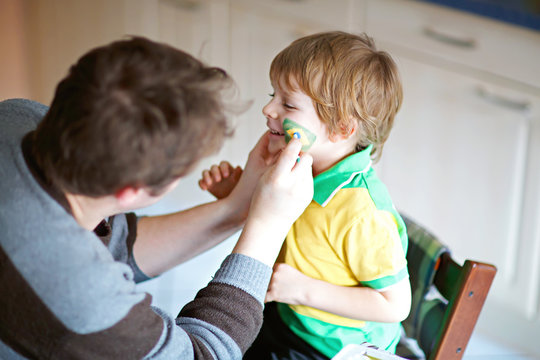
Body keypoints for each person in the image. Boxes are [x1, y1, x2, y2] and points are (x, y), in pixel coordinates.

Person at [0, 36, 314, 359]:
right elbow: (202, 355)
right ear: (131, 191)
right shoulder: (75, 288)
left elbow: (113, 245)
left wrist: (238, 207)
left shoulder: (18, 118)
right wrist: (268, 227)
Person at [198, 31, 411, 359]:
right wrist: (238, 197)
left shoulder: (362, 212)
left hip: (331, 348)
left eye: (288, 104)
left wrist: (302, 290)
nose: (268, 109)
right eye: (274, 95)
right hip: (289, 316)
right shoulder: (300, 170)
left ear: (342, 127)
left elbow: (395, 306)